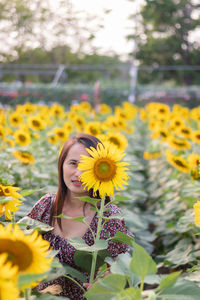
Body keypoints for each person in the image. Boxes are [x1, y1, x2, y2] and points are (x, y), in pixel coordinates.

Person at [27, 133, 132, 300]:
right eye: (73, 163)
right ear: (62, 165)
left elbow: (121, 267)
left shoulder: (109, 218)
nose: (79, 173)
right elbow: (24, 248)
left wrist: (106, 283)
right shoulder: (45, 206)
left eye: (87, 166)